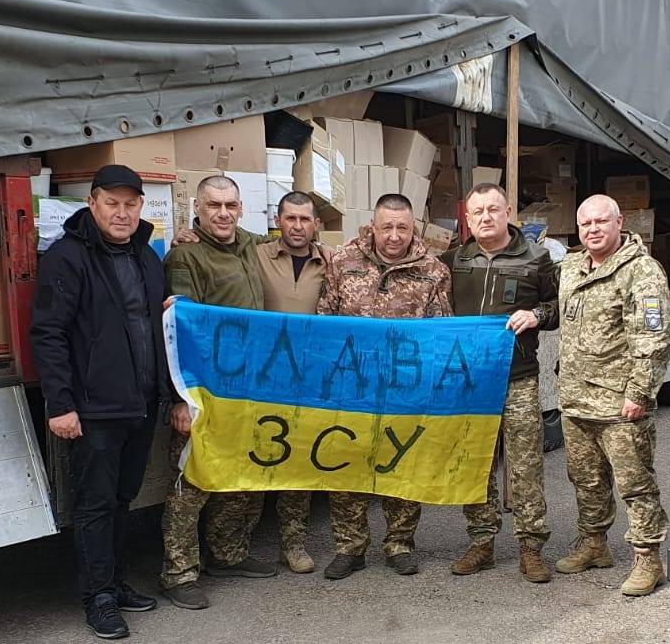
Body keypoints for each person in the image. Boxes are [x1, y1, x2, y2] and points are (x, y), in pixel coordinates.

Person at [29, 164, 168, 639]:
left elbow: (157, 324)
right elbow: (48, 334)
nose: (122, 213)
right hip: (93, 407)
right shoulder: (67, 258)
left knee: (124, 497)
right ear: (92, 203)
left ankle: (114, 581)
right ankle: (98, 598)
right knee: (94, 503)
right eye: (112, 203)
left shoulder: (147, 258)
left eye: (131, 204)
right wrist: (59, 404)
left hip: (141, 402)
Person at [316, 194, 452, 580]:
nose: (394, 236)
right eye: (386, 227)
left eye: (402, 228)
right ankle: (349, 546)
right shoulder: (342, 262)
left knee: (402, 464)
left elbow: (442, 332)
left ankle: (399, 543)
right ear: (372, 226)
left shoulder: (434, 271)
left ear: (414, 228)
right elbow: (324, 319)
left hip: (405, 389)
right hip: (352, 385)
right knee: (345, 464)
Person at [158, 174, 277, 610]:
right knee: (192, 482)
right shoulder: (185, 256)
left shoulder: (251, 242)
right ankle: (179, 571)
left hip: (250, 386)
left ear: (242, 208)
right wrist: (180, 398)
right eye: (213, 206)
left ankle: (227, 555)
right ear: (198, 208)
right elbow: (180, 330)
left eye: (230, 205)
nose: (223, 214)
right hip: (205, 388)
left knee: (242, 474)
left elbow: (297, 236)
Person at [554, 194, 670, 597]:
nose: (592, 229)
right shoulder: (571, 266)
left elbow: (654, 338)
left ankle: (647, 557)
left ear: (619, 222)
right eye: (585, 223)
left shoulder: (642, 273)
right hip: (575, 399)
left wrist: (639, 392)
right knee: (585, 480)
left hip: (620, 403)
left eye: (601, 221)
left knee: (635, 482)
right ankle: (594, 544)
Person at [441, 183, 558, 583]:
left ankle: (531, 547)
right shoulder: (454, 260)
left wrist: (537, 315)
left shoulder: (536, 258)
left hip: (518, 379)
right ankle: (481, 542)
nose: (486, 217)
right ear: (467, 219)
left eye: (493, 209)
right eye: (477, 212)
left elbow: (560, 307)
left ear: (508, 211)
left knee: (525, 466)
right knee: (475, 464)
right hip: (470, 383)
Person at [254, 191, 332, 574]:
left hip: (309, 378)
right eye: (290, 219)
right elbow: (219, 239)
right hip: (262, 377)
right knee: (254, 458)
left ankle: (294, 543)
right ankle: (231, 547)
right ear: (277, 220)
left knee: (298, 462)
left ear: (316, 223)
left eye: (305, 219)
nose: (297, 226)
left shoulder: (331, 260)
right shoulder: (254, 255)